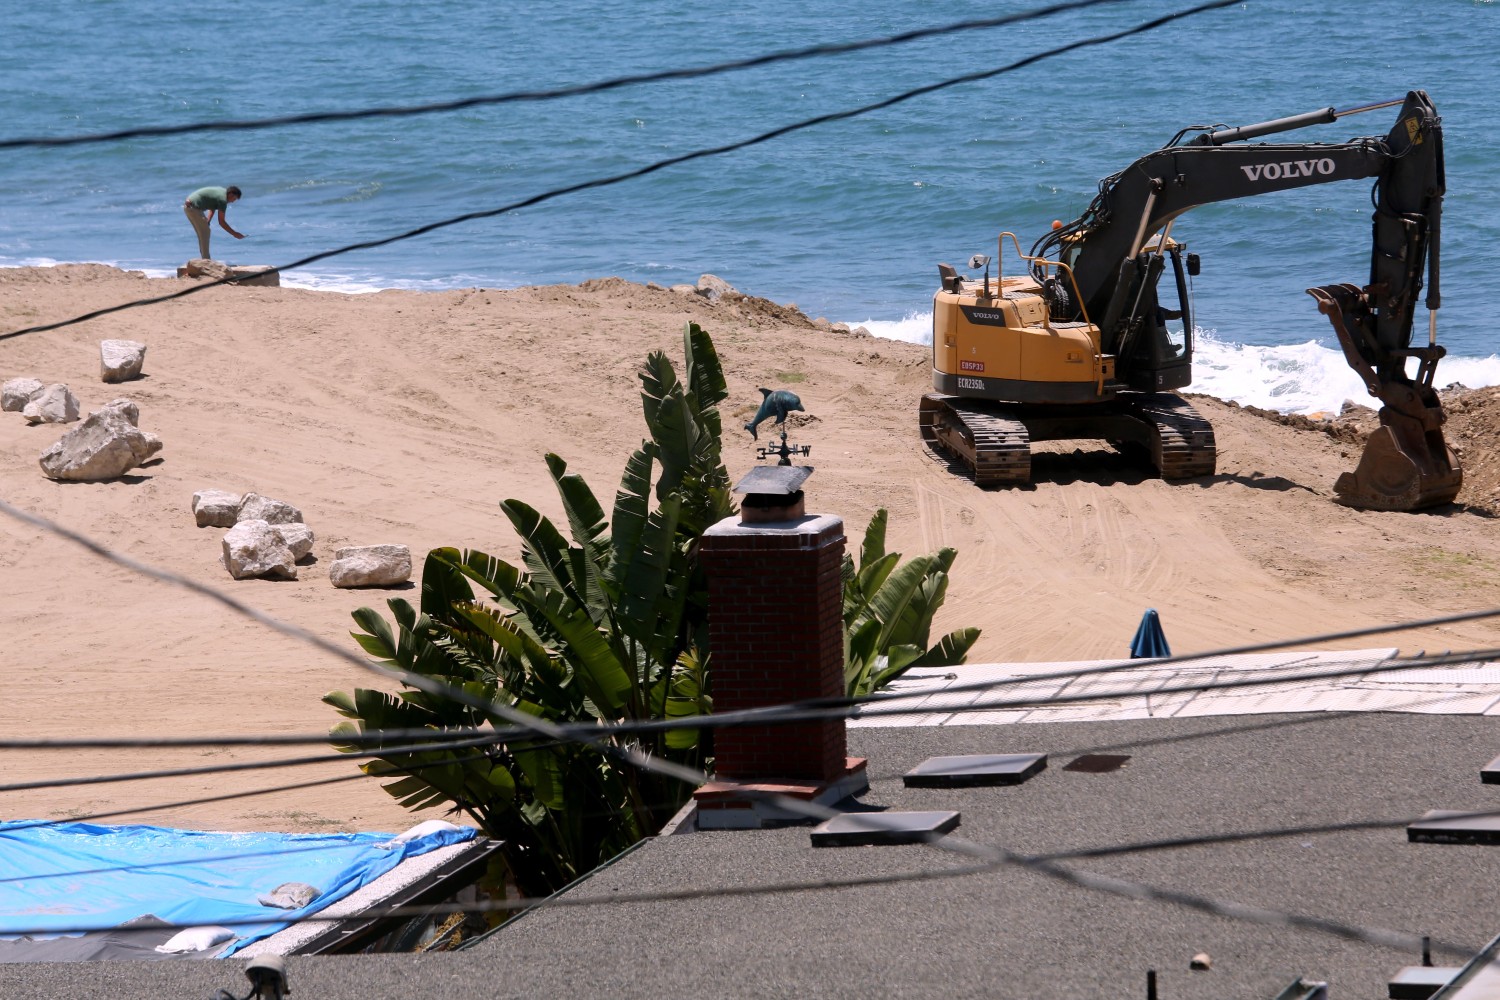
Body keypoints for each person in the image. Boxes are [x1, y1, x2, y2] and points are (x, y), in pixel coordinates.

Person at [183, 185, 245, 261]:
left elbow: (212, 207)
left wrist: (208, 220)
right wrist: (234, 233)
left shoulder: (221, 192)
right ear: (231, 194)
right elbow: (221, 222)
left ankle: (204, 259)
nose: (232, 201)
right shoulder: (222, 200)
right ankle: (206, 260)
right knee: (205, 232)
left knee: (202, 233)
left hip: (188, 206)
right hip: (193, 208)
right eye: (234, 199)